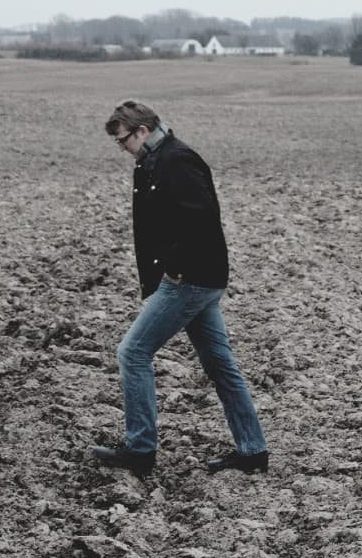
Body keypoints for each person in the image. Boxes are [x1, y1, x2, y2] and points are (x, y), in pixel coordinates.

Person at [92, 101, 270, 476]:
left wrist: (174, 269)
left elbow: (202, 220)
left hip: (189, 280)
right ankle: (253, 451)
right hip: (198, 279)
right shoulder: (155, 160)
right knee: (221, 365)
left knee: (132, 353)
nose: (121, 149)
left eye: (122, 140)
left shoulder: (177, 160)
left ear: (141, 131)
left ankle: (140, 451)